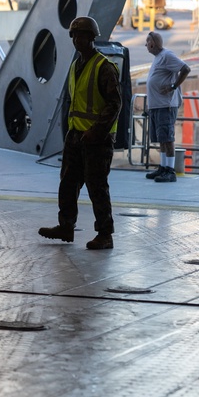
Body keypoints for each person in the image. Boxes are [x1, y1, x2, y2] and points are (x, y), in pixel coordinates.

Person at [39, 15, 122, 250]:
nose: (78, 40)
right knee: (67, 184)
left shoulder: (104, 67)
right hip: (76, 137)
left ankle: (105, 234)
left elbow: (115, 104)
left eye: (83, 35)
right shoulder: (76, 66)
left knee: (97, 187)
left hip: (97, 139)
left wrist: (97, 131)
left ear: (91, 37)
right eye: (75, 35)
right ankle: (66, 226)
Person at [144, 31, 190, 182]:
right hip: (157, 106)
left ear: (153, 43)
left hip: (165, 105)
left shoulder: (167, 55)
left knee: (168, 138)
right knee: (162, 139)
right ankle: (163, 167)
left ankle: (170, 171)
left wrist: (173, 86)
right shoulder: (159, 58)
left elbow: (185, 69)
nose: (146, 45)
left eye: (147, 41)